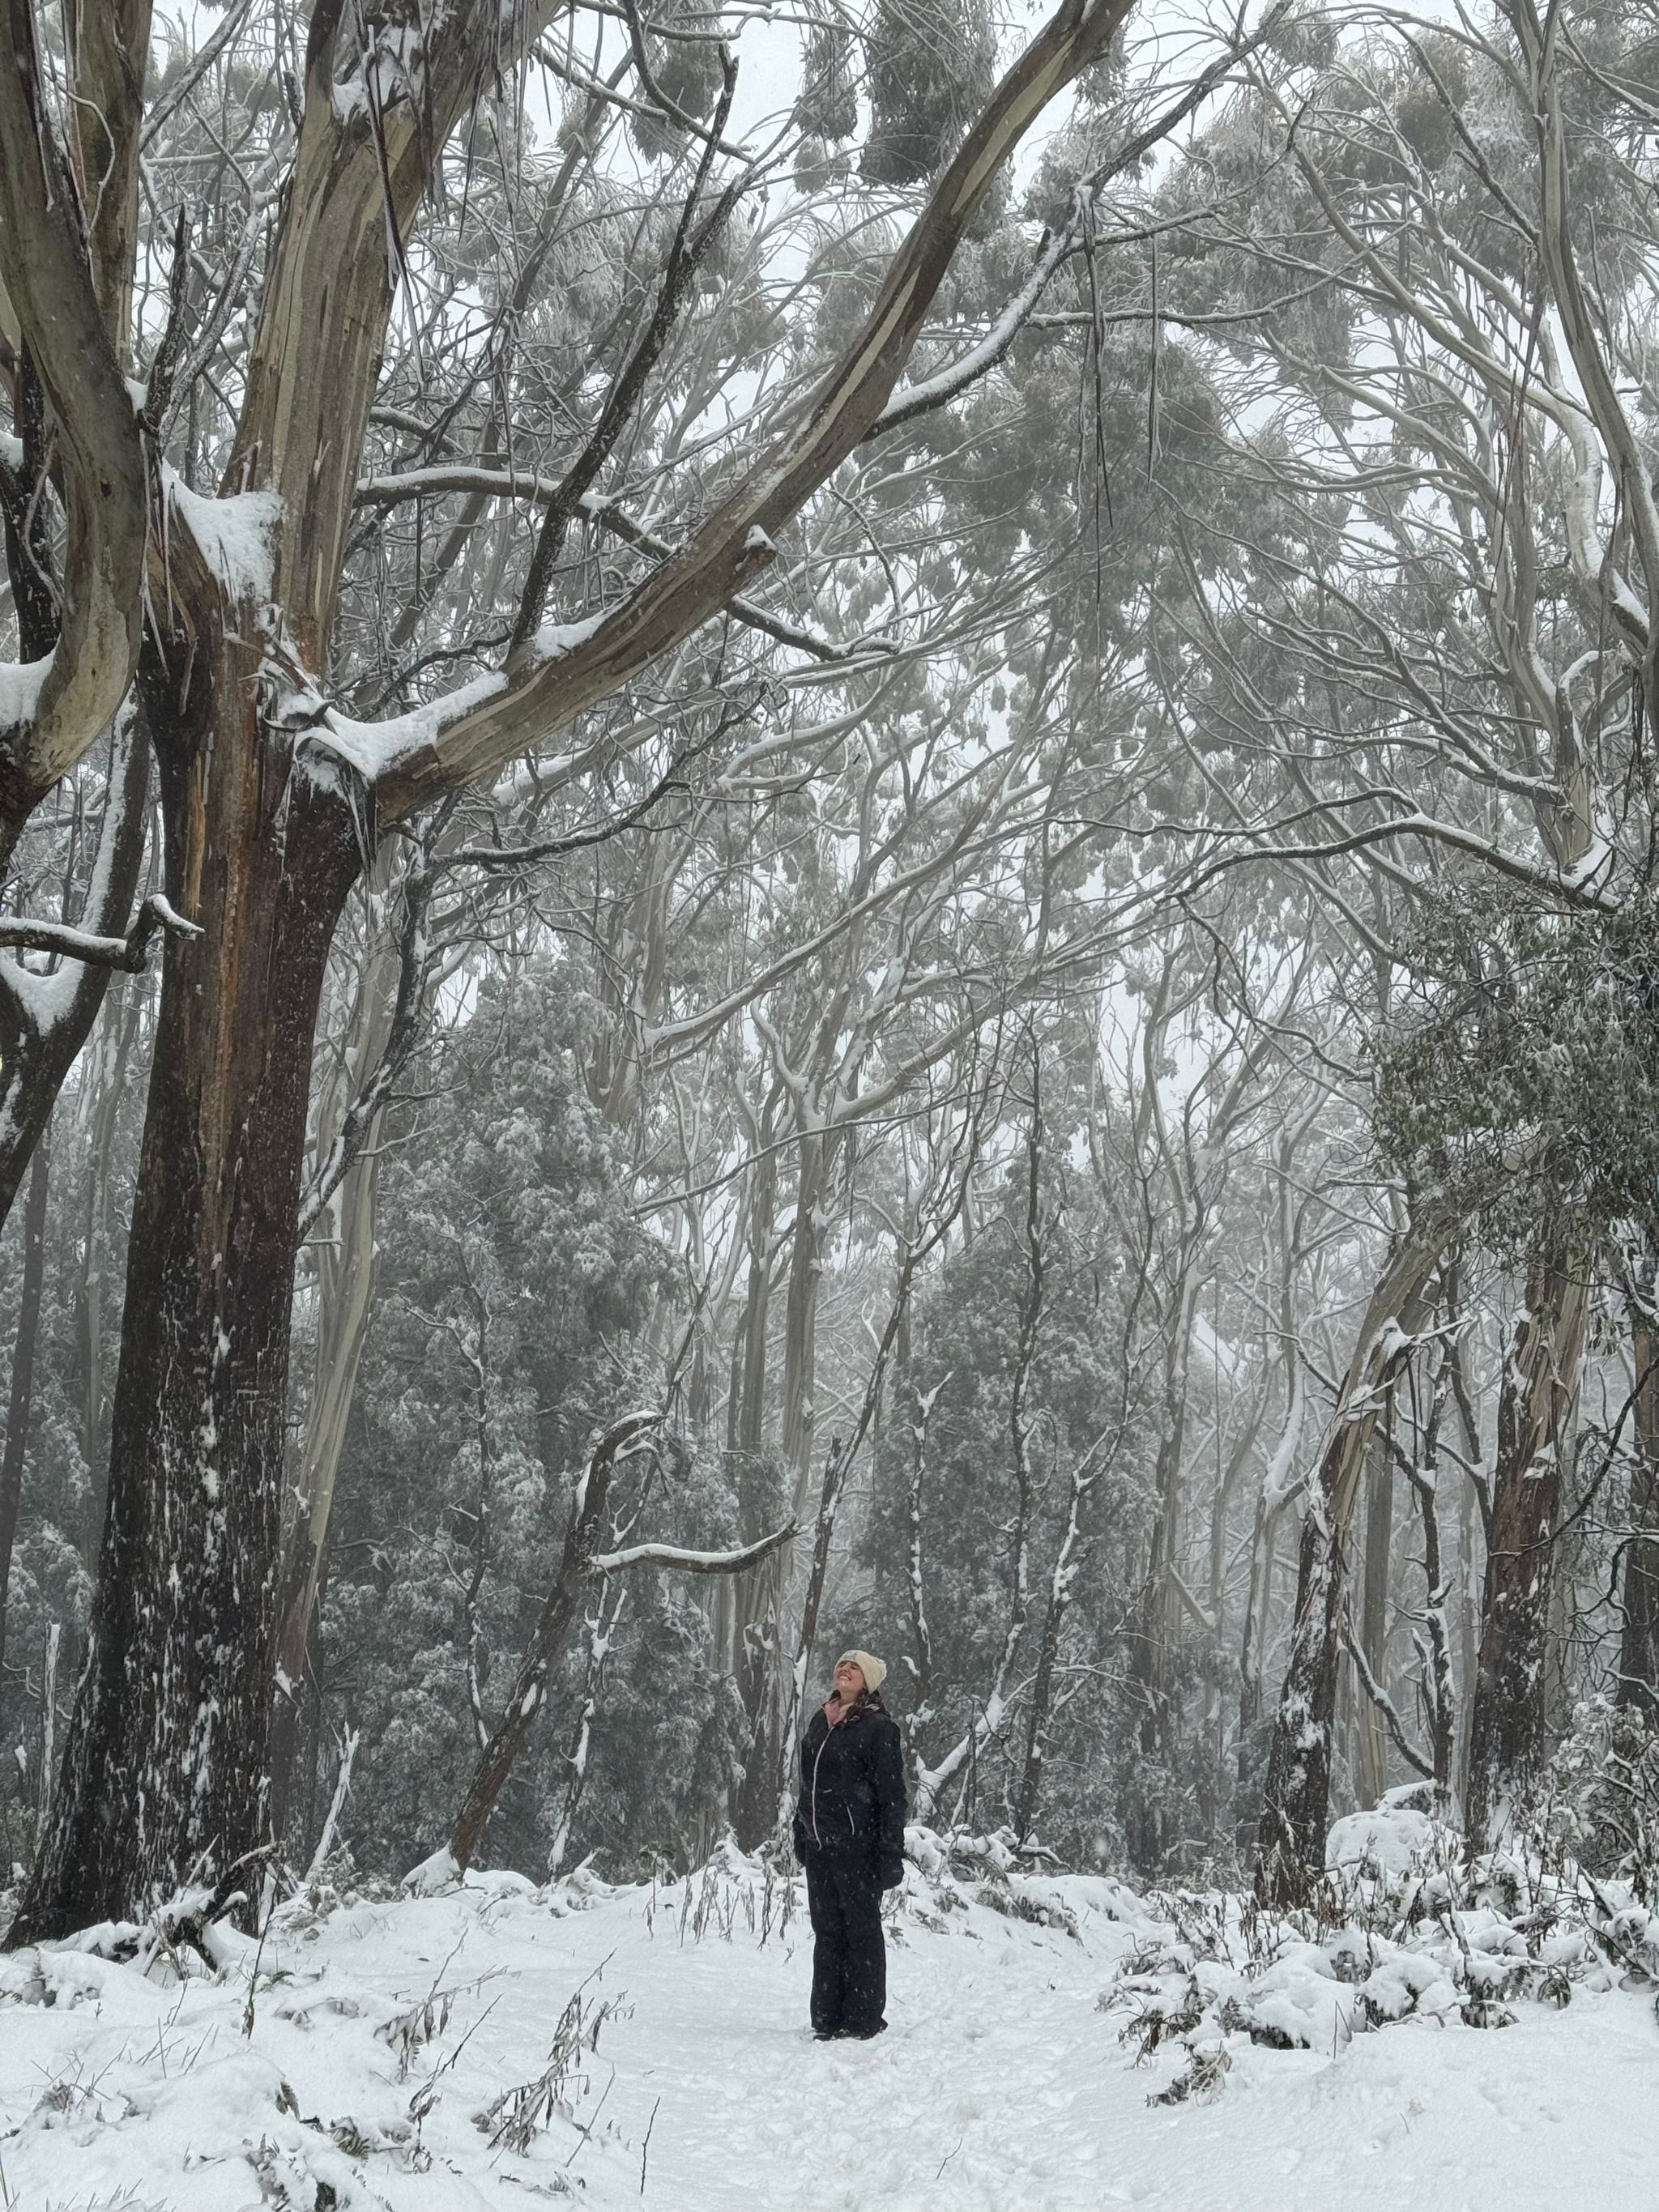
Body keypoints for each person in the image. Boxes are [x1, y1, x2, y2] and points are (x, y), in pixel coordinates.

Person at [791, 1649, 906, 2040]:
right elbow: (808, 1785)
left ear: (868, 1681)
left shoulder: (878, 1728)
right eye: (842, 1663)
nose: (845, 1669)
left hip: (860, 1849)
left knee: (861, 1933)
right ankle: (827, 2018)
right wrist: (800, 1829)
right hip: (820, 1847)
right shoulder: (819, 1722)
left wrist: (891, 1854)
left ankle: (862, 2020)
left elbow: (893, 1796)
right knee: (827, 1932)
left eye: (854, 1666)